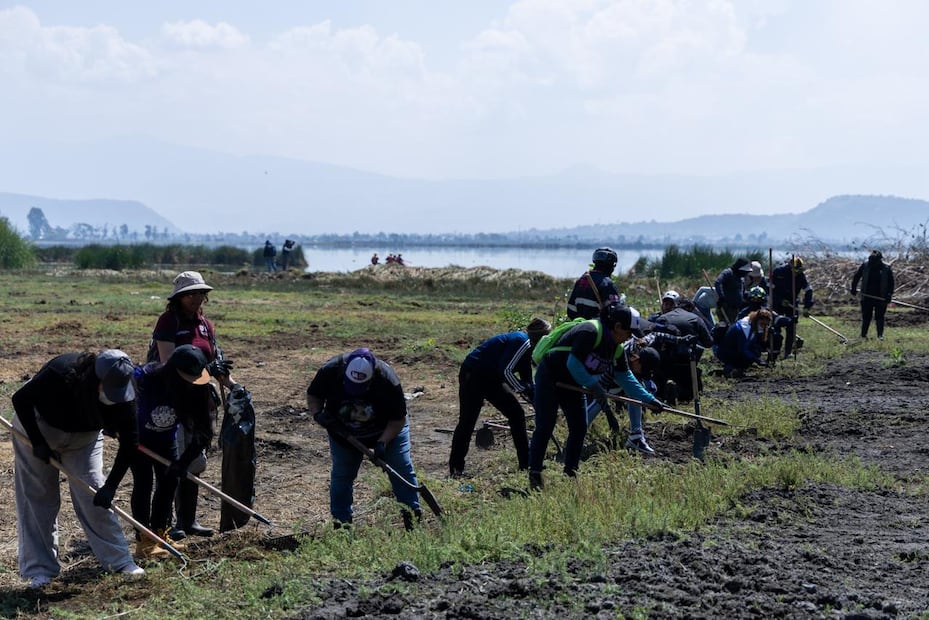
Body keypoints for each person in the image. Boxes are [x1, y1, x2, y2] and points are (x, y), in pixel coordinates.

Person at [10, 349, 144, 588]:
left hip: (85, 438)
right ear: (96, 379)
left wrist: (111, 487)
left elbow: (130, 444)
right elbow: (20, 399)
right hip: (40, 426)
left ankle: (120, 561)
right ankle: (41, 570)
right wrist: (38, 443)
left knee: (94, 492)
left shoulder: (126, 397)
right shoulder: (61, 374)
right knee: (39, 497)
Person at [528, 302, 666, 489]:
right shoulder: (590, 332)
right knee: (546, 424)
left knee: (579, 426)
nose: (631, 337)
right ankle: (535, 474)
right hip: (551, 377)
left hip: (573, 383)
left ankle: (570, 474)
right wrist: (594, 386)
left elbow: (626, 378)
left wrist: (649, 400)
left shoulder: (616, 349)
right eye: (629, 332)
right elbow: (573, 363)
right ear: (617, 327)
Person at [150, 271, 237, 538]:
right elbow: (167, 365)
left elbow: (216, 362)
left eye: (200, 293)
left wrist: (234, 387)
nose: (197, 298)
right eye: (191, 294)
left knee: (195, 460)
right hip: (171, 399)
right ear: (178, 297)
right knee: (171, 460)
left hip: (199, 400)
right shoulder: (168, 322)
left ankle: (188, 520)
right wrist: (208, 369)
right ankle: (165, 522)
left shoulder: (206, 326)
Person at [307, 348, 422, 528]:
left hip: (386, 431)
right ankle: (341, 524)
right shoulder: (330, 370)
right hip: (343, 434)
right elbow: (314, 395)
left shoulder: (387, 380)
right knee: (342, 475)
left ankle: (412, 518)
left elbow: (398, 419)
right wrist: (318, 414)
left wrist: (382, 443)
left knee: (401, 468)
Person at [130, 345, 214, 558]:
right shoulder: (144, 378)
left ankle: (160, 534)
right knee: (143, 482)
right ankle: (144, 541)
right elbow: (120, 403)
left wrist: (183, 462)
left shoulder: (197, 388)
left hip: (166, 440)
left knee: (169, 483)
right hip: (138, 441)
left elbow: (204, 431)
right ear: (174, 372)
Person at [449, 318, 552, 477]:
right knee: (468, 421)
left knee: (517, 414)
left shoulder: (529, 349)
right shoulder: (523, 342)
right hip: (474, 373)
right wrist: (520, 388)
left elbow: (526, 380)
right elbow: (506, 371)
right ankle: (456, 469)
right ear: (540, 337)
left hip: (492, 378)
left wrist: (535, 398)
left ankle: (526, 463)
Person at [771, 257, 814, 356]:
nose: (797, 273)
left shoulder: (800, 276)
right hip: (778, 304)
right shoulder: (779, 272)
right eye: (796, 270)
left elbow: (808, 290)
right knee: (776, 326)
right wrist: (779, 300)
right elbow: (770, 289)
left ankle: (787, 353)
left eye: (799, 270)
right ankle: (774, 351)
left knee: (791, 326)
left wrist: (807, 306)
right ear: (790, 266)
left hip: (792, 303)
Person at [566, 247, 623, 319]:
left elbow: (570, 310)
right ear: (612, 266)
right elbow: (615, 313)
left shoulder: (581, 280)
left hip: (578, 325)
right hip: (597, 327)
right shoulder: (607, 284)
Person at [714, 308, 773, 378]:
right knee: (748, 356)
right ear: (757, 320)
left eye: (766, 325)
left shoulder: (752, 323)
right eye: (762, 324)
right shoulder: (744, 328)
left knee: (756, 351)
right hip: (726, 351)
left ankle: (738, 368)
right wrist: (757, 360)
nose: (763, 327)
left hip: (736, 348)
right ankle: (730, 368)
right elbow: (743, 350)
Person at [851, 250, 895, 340]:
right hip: (866, 296)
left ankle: (880, 336)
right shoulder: (865, 266)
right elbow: (856, 277)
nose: (872, 262)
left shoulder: (886, 268)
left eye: (874, 260)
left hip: (881, 297)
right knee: (866, 316)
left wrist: (889, 295)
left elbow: (891, 283)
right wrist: (853, 288)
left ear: (879, 260)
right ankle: (863, 335)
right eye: (871, 260)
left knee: (879, 317)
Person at [713, 258, 753, 323]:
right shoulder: (728, 273)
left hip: (736, 309)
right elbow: (718, 282)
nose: (746, 273)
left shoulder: (740, 278)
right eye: (745, 271)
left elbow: (742, 292)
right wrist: (721, 297)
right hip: (727, 308)